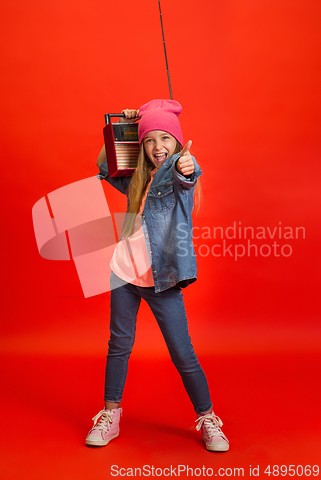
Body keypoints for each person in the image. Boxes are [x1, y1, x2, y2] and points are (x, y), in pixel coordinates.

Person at [86, 99, 229, 452]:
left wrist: (186, 165)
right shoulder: (138, 177)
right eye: (150, 140)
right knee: (118, 346)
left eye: (165, 138)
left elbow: (189, 174)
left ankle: (208, 417)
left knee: (182, 353)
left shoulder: (180, 173)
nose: (157, 146)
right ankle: (110, 414)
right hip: (122, 273)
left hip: (161, 280)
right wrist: (129, 128)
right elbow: (105, 164)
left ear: (177, 143)